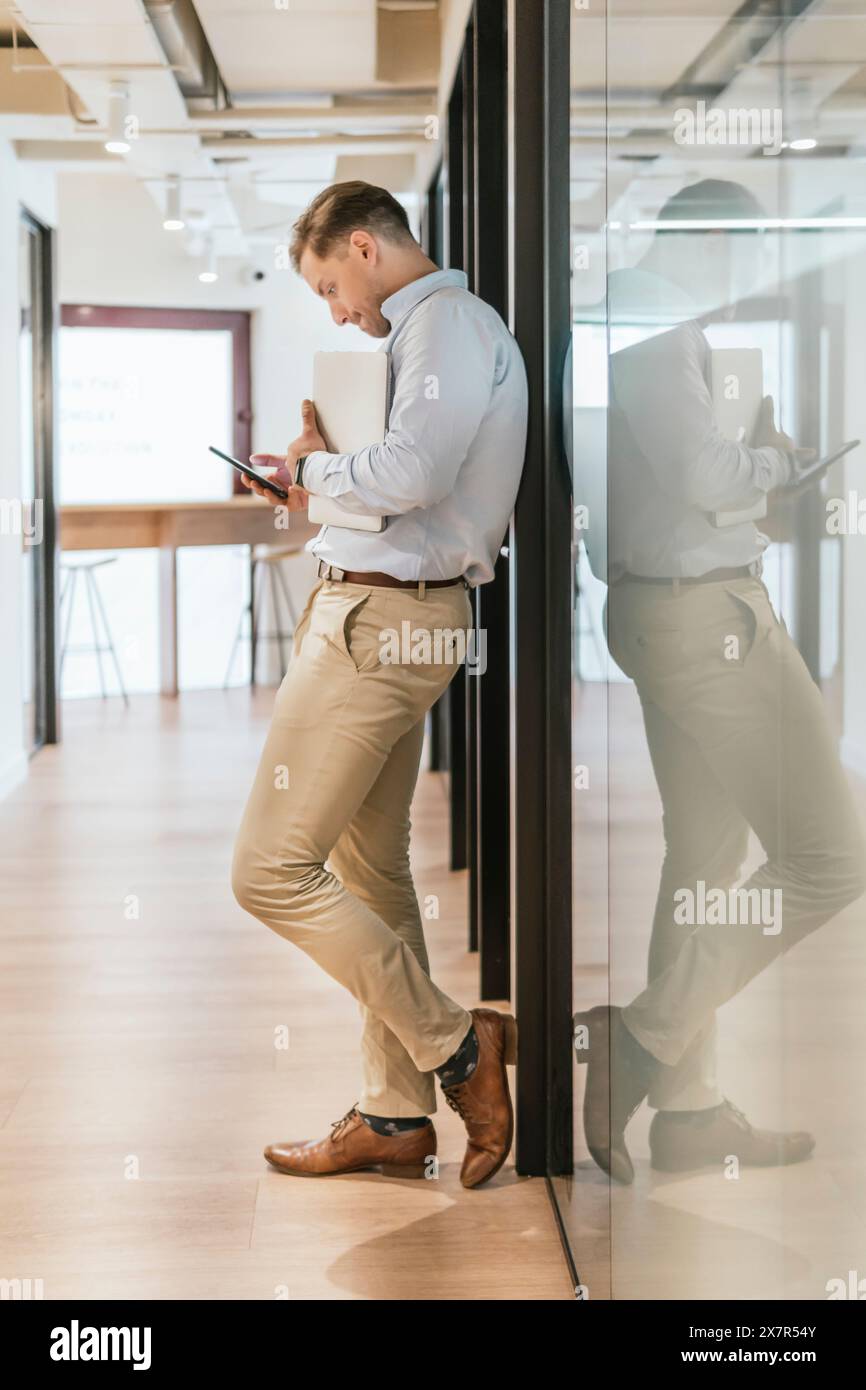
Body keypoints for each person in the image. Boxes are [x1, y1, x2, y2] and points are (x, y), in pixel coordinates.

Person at [231, 180, 528, 1188]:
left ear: (363, 247)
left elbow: (409, 475)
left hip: (378, 622)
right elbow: (400, 471)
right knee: (371, 871)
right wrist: (318, 466)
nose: (336, 310)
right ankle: (395, 1119)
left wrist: (310, 477)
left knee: (267, 869)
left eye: (329, 286)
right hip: (390, 612)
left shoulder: (440, 323)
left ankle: (455, 1047)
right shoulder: (436, 331)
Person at [574, 179, 866, 1183]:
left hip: (667, 609)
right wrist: (776, 463)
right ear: (719, 240)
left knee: (701, 860)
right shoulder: (654, 320)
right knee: (831, 853)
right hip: (708, 622)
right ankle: (639, 1040)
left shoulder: (632, 315)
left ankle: (689, 1112)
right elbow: (704, 474)